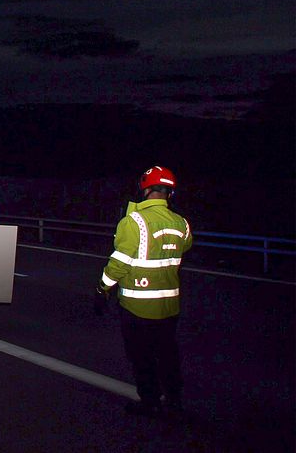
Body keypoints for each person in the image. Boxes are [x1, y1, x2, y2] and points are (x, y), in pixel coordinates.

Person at [95, 165, 193, 417]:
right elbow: (184, 248)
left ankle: (150, 402)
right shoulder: (182, 223)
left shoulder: (134, 222)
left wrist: (102, 288)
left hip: (136, 308)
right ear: (170, 193)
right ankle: (174, 401)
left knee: (142, 357)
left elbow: (119, 263)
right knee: (168, 354)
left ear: (145, 189)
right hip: (169, 307)